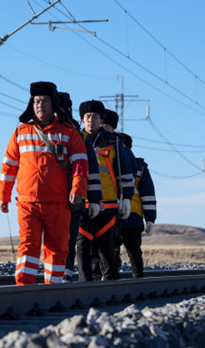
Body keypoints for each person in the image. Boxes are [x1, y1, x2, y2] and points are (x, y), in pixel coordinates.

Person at [0, 81, 88, 285]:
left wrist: (77, 189)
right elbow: (8, 167)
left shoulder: (68, 132)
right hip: (27, 202)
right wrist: (3, 195)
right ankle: (24, 289)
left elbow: (81, 165)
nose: (40, 105)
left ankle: (52, 291)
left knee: (56, 247)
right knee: (27, 245)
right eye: (37, 101)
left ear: (53, 103)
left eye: (45, 101)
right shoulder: (21, 132)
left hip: (58, 202)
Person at [75, 101, 135, 281]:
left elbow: (125, 171)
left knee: (106, 245)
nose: (90, 120)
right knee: (82, 245)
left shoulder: (114, 142)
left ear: (101, 120)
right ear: (82, 120)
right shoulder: (75, 139)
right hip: (81, 202)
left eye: (94, 116)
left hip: (108, 203)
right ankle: (84, 283)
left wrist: (126, 198)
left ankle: (110, 283)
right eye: (87, 117)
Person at [58, 92, 102, 281]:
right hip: (47, 197)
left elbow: (91, 170)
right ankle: (54, 276)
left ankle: (64, 275)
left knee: (69, 239)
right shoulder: (35, 133)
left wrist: (94, 200)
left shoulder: (79, 137)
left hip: (74, 198)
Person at [119, 154, 157, 278]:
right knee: (134, 250)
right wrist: (150, 219)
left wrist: (150, 219)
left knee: (110, 250)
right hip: (133, 216)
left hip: (112, 213)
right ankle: (138, 278)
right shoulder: (140, 167)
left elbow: (148, 193)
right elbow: (148, 193)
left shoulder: (108, 158)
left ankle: (110, 279)